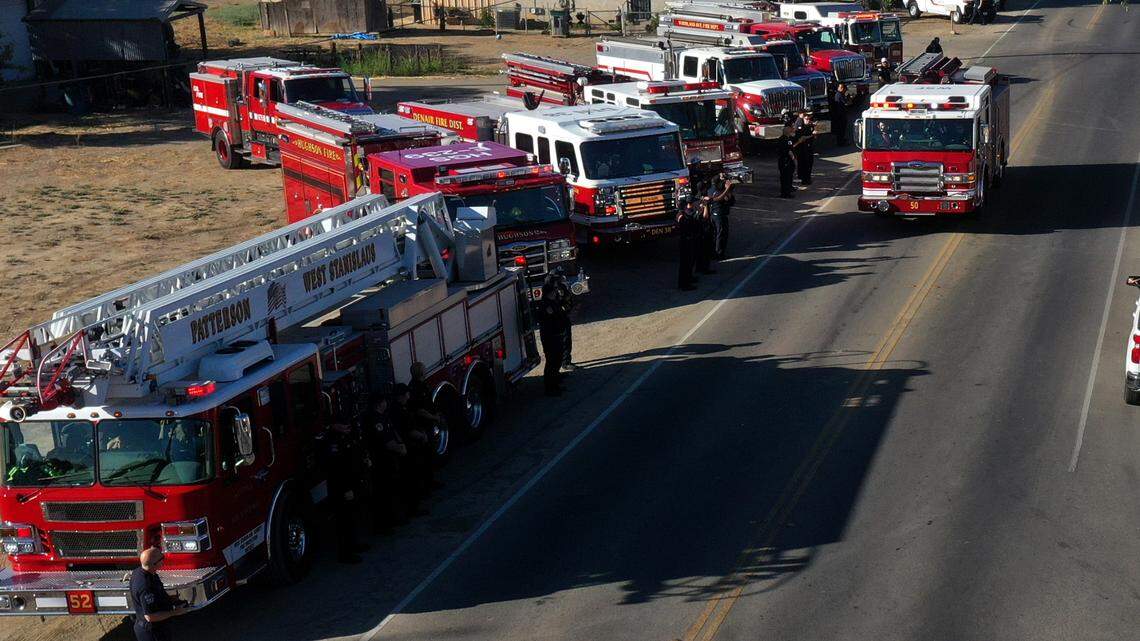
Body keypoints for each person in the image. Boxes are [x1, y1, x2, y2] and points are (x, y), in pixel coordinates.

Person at [320, 419, 368, 563]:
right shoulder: (333, 443)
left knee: (353, 517)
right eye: (344, 424)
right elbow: (337, 470)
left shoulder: (346, 438)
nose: (347, 427)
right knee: (344, 520)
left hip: (352, 484)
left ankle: (354, 544)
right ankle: (345, 553)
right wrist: (346, 489)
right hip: (341, 488)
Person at [361, 395, 409, 531]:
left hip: (388, 459)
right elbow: (385, 441)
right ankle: (385, 523)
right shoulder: (374, 419)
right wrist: (400, 448)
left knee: (390, 490)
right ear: (379, 404)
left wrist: (400, 444)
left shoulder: (383, 416)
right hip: (381, 461)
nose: (386, 403)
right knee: (384, 492)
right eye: (383, 401)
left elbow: (392, 432)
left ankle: (393, 519)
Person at [130, 547, 188, 641]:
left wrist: (170, 599)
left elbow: (155, 595)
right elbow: (150, 616)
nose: (163, 561)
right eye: (162, 559)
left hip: (158, 628)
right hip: (152, 632)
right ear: (154, 564)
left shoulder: (143, 572)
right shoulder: (145, 586)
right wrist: (175, 612)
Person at [391, 383, 435, 501]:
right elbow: (407, 430)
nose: (408, 396)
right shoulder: (398, 411)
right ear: (401, 396)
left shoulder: (403, 407)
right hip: (410, 446)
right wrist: (421, 436)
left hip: (413, 443)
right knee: (413, 473)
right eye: (406, 394)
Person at [538, 272, 571, 393]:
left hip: (556, 335)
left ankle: (555, 382)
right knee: (552, 361)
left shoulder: (553, 302)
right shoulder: (546, 305)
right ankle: (550, 387)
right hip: (550, 337)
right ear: (549, 293)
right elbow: (553, 317)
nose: (555, 292)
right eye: (553, 291)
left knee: (557, 360)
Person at [705, 174, 735, 259]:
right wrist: (728, 189)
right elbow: (727, 199)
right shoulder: (719, 192)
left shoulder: (710, 190)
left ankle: (716, 252)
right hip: (719, 215)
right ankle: (719, 253)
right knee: (720, 234)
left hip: (714, 214)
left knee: (716, 234)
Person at [676, 197, 700, 290]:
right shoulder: (682, 217)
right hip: (685, 241)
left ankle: (688, 280)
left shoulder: (680, 215)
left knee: (688, 263)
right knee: (685, 264)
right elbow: (688, 227)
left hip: (685, 240)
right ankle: (684, 284)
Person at [793, 111, 816, 185]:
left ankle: (805, 178)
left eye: (809, 117)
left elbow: (814, 136)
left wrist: (814, 134)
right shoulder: (800, 123)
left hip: (808, 147)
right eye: (806, 116)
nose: (808, 118)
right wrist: (812, 135)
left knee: (808, 163)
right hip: (802, 148)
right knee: (805, 164)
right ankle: (805, 179)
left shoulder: (809, 125)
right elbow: (802, 137)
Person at [777, 125, 797, 198]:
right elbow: (787, 151)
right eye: (789, 130)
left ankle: (788, 190)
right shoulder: (783, 139)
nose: (791, 130)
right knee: (785, 177)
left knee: (789, 176)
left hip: (789, 161)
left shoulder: (789, 139)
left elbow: (792, 147)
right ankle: (785, 193)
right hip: (785, 161)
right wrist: (793, 158)